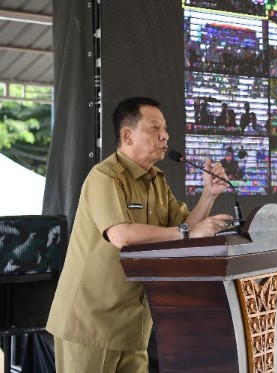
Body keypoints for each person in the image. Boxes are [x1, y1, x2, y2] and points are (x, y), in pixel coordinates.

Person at [46, 97, 233, 373]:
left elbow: (183, 226)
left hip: (133, 324)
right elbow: (122, 235)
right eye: (154, 128)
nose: (165, 135)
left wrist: (209, 195)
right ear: (127, 135)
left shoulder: (156, 180)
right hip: (91, 323)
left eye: (165, 128)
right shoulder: (105, 176)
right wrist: (187, 232)